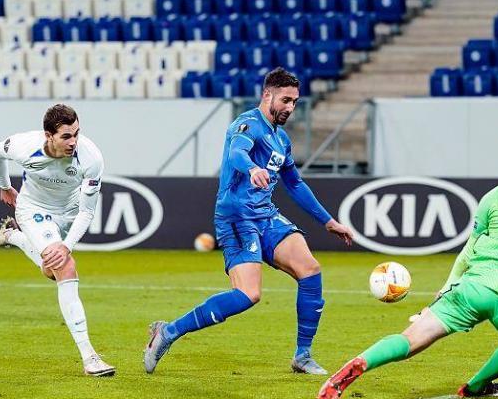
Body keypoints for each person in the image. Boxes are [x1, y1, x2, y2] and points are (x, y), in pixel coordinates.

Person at [317, 121, 498, 399]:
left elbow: (467, 253)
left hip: (474, 288)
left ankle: (361, 362)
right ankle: (477, 385)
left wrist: (443, 292)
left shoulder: (494, 196)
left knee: (412, 339)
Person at [144, 68, 354, 375]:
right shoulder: (246, 124)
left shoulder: (281, 139)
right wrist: (253, 168)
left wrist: (328, 221)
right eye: (285, 100)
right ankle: (169, 332)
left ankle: (303, 355)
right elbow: (236, 155)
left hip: (265, 215)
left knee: (310, 269)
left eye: (295, 102)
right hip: (236, 217)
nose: (290, 108)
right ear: (267, 95)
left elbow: (294, 183)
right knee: (249, 294)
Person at [0, 103, 115, 377]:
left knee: (52, 271)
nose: (73, 142)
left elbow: (87, 211)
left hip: (70, 213)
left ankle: (13, 236)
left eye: (77, 134)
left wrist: (66, 244)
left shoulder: (91, 158)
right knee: (66, 267)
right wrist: (4, 185)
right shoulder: (24, 146)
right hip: (33, 209)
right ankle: (90, 357)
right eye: (66, 136)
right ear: (48, 135)